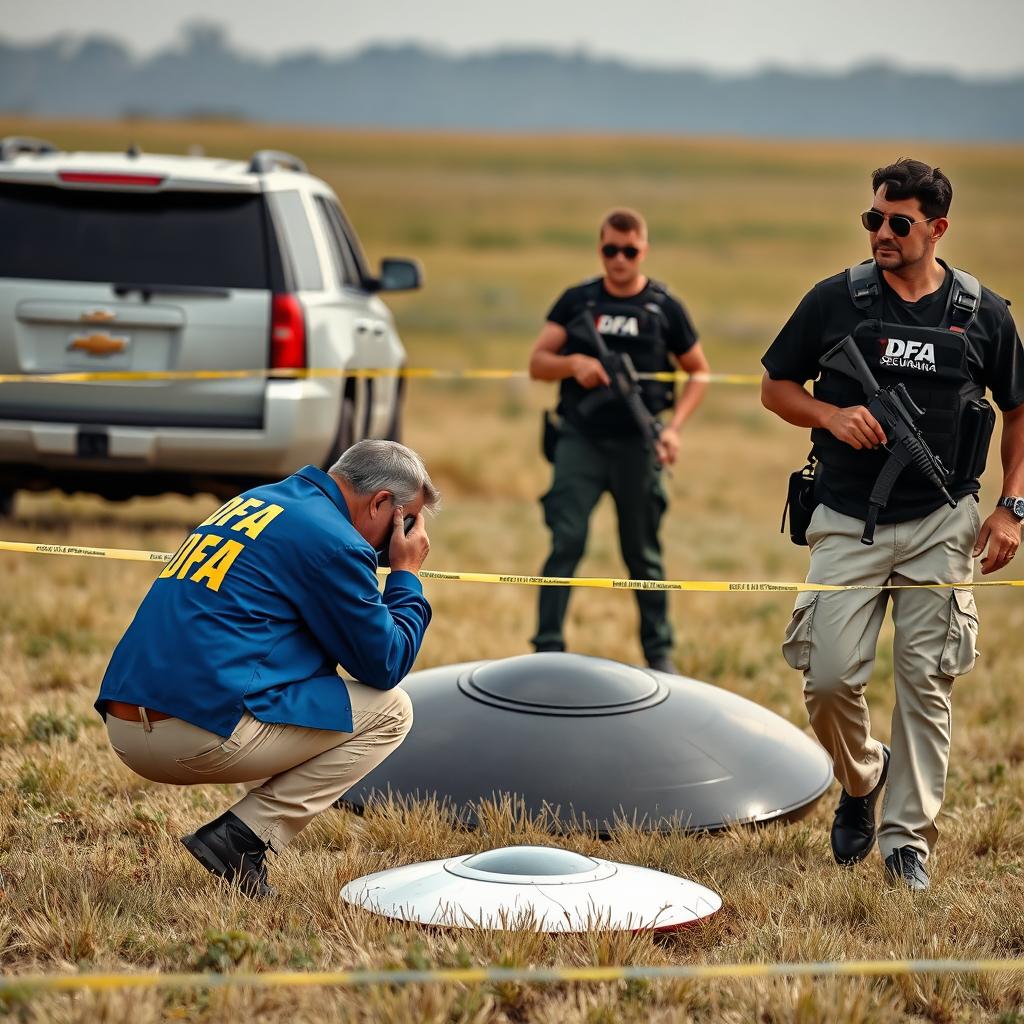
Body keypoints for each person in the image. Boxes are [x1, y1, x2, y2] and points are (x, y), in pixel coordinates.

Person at [761, 159, 1024, 891]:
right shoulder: (837, 301)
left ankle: (907, 842)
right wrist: (832, 415)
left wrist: (1012, 506)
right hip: (848, 517)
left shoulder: (982, 313)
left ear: (937, 229)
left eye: (897, 222)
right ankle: (861, 777)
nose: (880, 231)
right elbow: (775, 386)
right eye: (872, 218)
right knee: (831, 677)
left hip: (946, 518)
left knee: (925, 680)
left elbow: (1020, 407)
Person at [95, 441, 439, 897]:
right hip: (193, 733)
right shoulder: (334, 541)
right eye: (407, 521)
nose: (406, 536)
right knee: (392, 711)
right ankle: (242, 837)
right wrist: (406, 574)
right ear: (379, 503)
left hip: (123, 729)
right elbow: (386, 662)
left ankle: (238, 835)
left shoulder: (253, 501)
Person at [528, 208, 710, 672]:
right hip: (581, 441)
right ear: (600, 248)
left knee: (643, 552)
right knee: (565, 540)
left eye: (629, 251)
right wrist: (574, 366)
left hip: (638, 446)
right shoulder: (578, 302)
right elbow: (538, 362)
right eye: (611, 249)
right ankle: (547, 648)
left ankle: (659, 652)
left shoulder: (663, 307)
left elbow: (699, 373)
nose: (620, 259)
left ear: (643, 251)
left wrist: (672, 429)